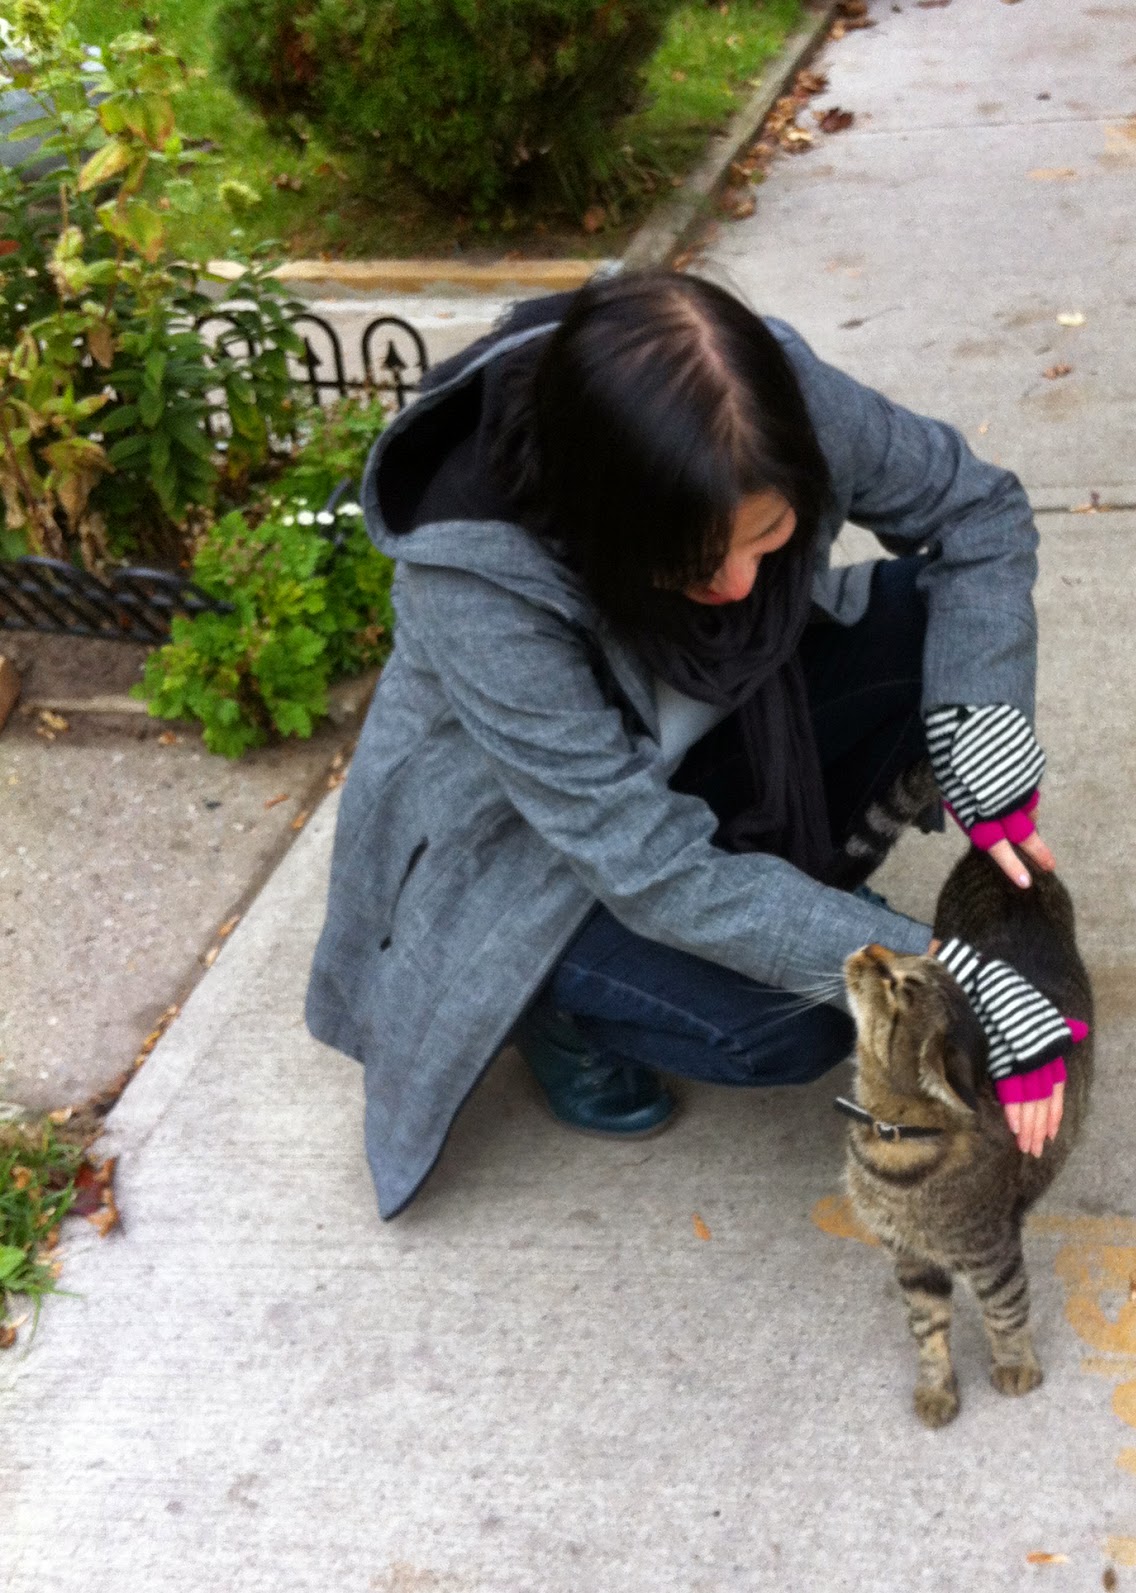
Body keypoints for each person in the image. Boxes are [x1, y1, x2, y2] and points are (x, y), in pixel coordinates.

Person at [306, 271, 1083, 1221]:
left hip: (715, 734)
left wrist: (983, 724)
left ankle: (797, 897)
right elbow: (648, 865)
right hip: (545, 850)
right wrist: (930, 981)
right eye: (688, 562)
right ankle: (555, 1011)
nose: (739, 586)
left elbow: (978, 512)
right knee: (786, 1031)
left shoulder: (770, 405)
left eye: (770, 532)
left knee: (939, 644)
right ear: (601, 522)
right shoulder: (478, 584)